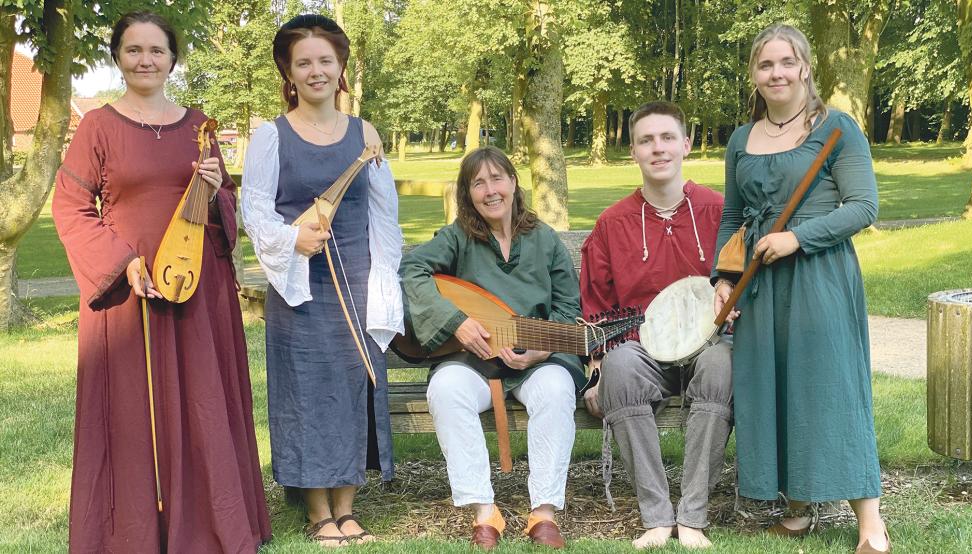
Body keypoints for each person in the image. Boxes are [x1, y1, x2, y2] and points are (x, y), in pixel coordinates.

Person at [52, 11, 271, 553]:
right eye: (134, 50)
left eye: (156, 50)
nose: (145, 60)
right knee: (131, 408)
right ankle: (131, 530)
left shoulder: (200, 125)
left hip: (198, 284)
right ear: (118, 57)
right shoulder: (98, 127)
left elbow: (226, 213)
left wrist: (218, 188)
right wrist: (122, 261)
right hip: (129, 290)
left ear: (173, 58)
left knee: (202, 401)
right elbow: (71, 208)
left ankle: (207, 524)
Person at [712, 23, 888, 553]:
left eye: (786, 62)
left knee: (831, 387)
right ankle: (796, 508)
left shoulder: (837, 128)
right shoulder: (742, 139)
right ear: (754, 74)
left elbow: (864, 207)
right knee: (775, 388)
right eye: (765, 65)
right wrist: (722, 278)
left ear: (805, 66)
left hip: (819, 276)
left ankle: (871, 523)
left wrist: (798, 238)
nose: (777, 73)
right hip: (760, 285)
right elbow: (733, 217)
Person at [240, 13, 403, 549]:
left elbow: (384, 214)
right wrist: (292, 241)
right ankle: (316, 509)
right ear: (288, 71)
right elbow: (256, 210)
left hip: (358, 277)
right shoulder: (270, 136)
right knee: (307, 388)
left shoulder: (366, 135)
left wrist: (382, 279)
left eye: (325, 61)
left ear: (341, 67)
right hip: (301, 285)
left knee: (356, 381)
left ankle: (348, 504)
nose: (315, 71)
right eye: (303, 62)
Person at [399, 146, 584, 550]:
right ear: (468, 193)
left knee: (556, 389)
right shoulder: (457, 238)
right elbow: (411, 269)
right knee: (446, 390)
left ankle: (544, 512)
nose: (490, 190)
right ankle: (485, 511)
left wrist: (541, 349)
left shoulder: (545, 240)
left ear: (514, 183)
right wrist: (457, 323)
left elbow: (569, 308)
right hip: (474, 361)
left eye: (497, 178)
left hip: (534, 361)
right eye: (478, 183)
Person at [579, 101, 734, 550]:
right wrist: (596, 373)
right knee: (622, 368)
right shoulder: (613, 223)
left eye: (667, 137)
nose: (658, 148)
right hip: (642, 348)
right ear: (633, 151)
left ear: (685, 144)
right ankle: (656, 516)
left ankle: (692, 517)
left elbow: (741, 283)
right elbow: (598, 308)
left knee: (722, 363)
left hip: (708, 342)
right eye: (646, 140)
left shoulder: (719, 211)